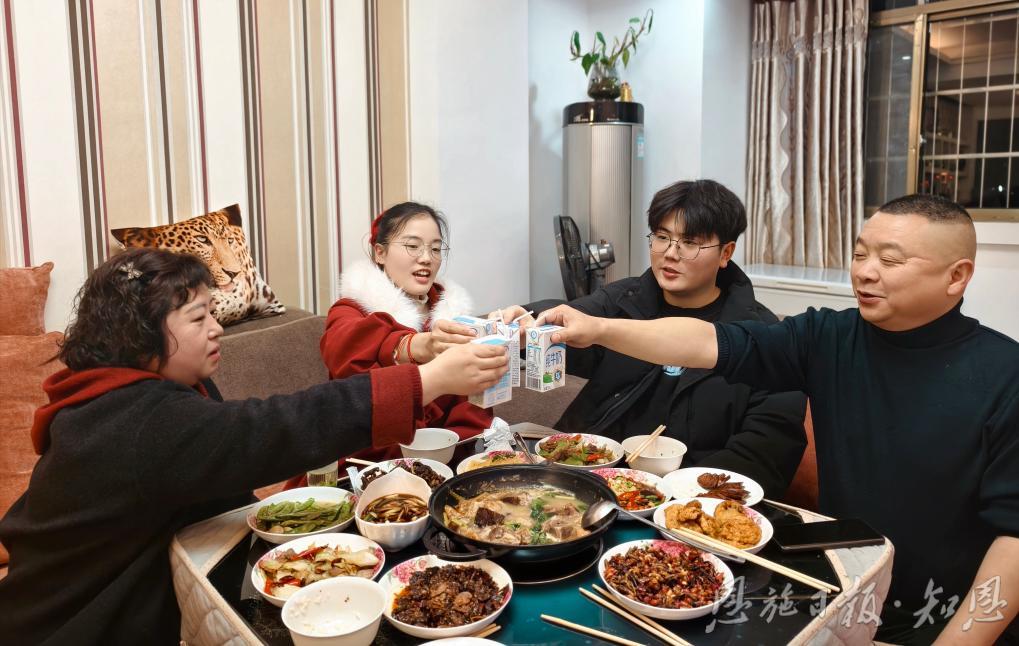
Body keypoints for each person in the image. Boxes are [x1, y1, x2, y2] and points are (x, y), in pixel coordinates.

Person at [537, 194, 1019, 644]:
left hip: (942, 615)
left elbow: (1014, 538)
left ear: (956, 276)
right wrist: (597, 328)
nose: (865, 272)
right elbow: (708, 341)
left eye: (889, 261)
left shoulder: (1005, 375)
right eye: (860, 254)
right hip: (841, 583)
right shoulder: (829, 336)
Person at [0, 248, 507, 644]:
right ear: (140, 336)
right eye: (198, 318)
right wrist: (424, 382)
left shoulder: (135, 394)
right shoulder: (134, 423)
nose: (217, 328)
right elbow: (274, 428)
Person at [497, 180, 806, 497]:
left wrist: (687, 497)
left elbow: (768, 447)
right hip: (590, 476)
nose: (670, 254)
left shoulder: (763, 337)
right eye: (661, 237)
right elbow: (577, 317)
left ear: (725, 252)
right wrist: (531, 322)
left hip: (689, 497)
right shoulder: (625, 300)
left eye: (689, 242)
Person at [317, 201, 492, 466]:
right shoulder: (351, 311)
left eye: (435, 249)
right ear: (380, 253)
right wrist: (412, 345)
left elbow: (472, 409)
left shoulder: (451, 319)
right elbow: (344, 350)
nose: (426, 258)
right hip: (367, 465)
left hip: (446, 462)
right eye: (412, 246)